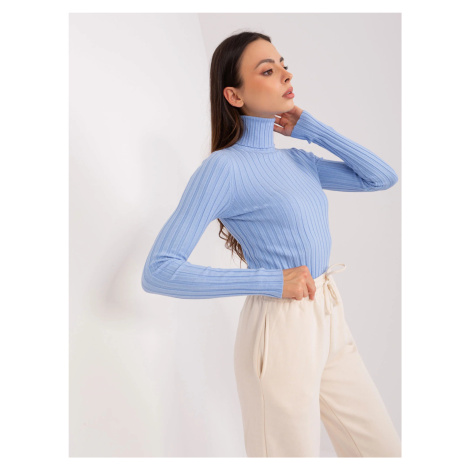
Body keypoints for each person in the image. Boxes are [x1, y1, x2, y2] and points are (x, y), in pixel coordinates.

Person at [141, 31, 401, 458]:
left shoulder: (296, 160)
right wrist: (272, 281)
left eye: (283, 64)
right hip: (280, 329)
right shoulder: (223, 169)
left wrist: (313, 130)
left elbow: (381, 177)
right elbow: (159, 270)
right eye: (267, 70)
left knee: (382, 451)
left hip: (329, 315)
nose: (285, 74)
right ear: (234, 95)